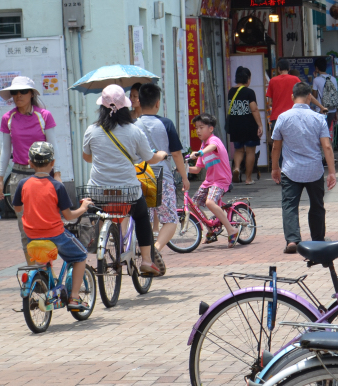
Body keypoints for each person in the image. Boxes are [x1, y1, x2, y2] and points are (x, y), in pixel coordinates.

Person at [81, 84, 167, 277]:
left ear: (101, 107)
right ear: (125, 107)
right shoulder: (133, 131)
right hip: (127, 191)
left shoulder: (92, 130)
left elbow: (87, 157)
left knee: (101, 214)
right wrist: (161, 155)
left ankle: (101, 244)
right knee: (142, 215)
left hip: (98, 191)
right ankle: (146, 260)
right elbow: (149, 158)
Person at [12, 142, 93, 311]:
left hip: (32, 235)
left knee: (43, 262)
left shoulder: (23, 184)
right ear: (52, 163)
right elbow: (69, 216)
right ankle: (75, 297)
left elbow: (18, 208)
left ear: (30, 163)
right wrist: (84, 207)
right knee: (80, 256)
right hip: (55, 234)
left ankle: (46, 289)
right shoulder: (57, 186)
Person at [270, 82, 337, 254]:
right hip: (314, 169)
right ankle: (318, 239)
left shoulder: (283, 118)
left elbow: (276, 147)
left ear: (292, 97)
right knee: (317, 205)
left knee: (289, 205)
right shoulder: (318, 119)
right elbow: (327, 147)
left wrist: (275, 168)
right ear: (309, 97)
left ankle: (292, 240)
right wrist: (332, 172)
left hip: (290, 169)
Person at [0, 75, 58, 250]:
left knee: (47, 227)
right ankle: (34, 271)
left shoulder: (44, 116)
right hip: (18, 177)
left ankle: (46, 269)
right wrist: (0, 179)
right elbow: (5, 150)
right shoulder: (7, 118)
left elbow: (54, 147)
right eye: (15, 92)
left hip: (44, 177)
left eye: (23, 91)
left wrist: (58, 174)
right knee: (25, 229)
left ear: (31, 94)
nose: (18, 95)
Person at [136, 83, 189, 272]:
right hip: (162, 177)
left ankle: (145, 254)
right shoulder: (166, 123)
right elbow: (176, 154)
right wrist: (184, 177)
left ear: (139, 102)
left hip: (138, 177)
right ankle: (155, 249)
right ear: (158, 103)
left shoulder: (132, 125)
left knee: (146, 219)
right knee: (170, 219)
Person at [188, 113, 239, 246]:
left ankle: (231, 230)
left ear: (210, 128)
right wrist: (182, 168)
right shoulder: (202, 146)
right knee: (191, 204)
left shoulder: (213, 140)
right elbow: (197, 169)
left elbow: (212, 147)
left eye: (201, 127)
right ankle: (211, 229)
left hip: (221, 180)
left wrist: (200, 153)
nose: (198, 130)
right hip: (209, 181)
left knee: (210, 202)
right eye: (196, 128)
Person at [226, 66, 263, 184]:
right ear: (247, 78)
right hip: (249, 125)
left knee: (239, 150)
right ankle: (248, 179)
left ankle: (236, 168)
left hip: (235, 125)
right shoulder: (249, 92)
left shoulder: (231, 91)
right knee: (250, 151)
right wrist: (260, 125)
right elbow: (254, 109)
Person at [312, 56, 338, 131]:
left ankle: (324, 142)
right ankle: (327, 142)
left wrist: (315, 77)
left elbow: (314, 95)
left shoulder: (316, 80)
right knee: (327, 129)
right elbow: (335, 95)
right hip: (332, 109)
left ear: (317, 68)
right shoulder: (333, 79)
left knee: (320, 130)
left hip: (321, 109)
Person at [265, 58, 298, 123]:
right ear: (289, 69)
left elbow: (270, 102)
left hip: (277, 117)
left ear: (278, 69)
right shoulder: (295, 79)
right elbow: (304, 94)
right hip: (292, 116)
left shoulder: (272, 81)